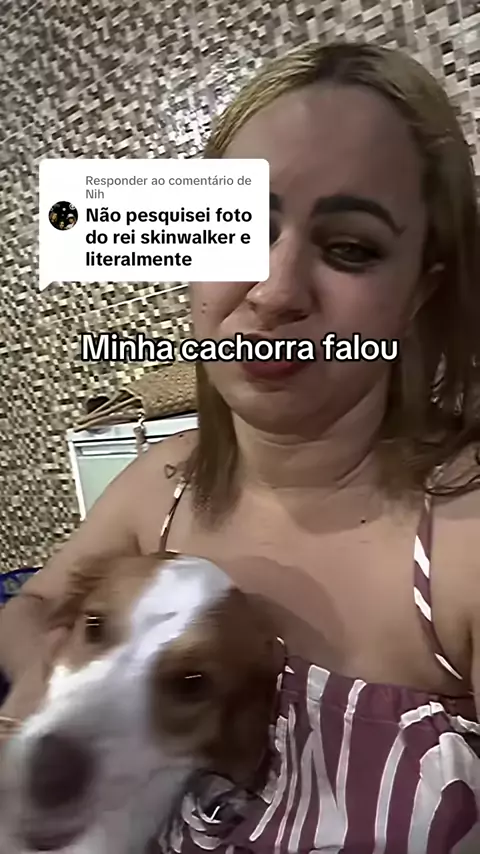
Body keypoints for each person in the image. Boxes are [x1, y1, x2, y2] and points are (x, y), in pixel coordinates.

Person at [1, 41, 480, 852]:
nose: (275, 291)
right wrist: (58, 706)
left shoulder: (463, 543)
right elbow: (31, 608)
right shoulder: (161, 485)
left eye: (351, 248)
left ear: (418, 291)